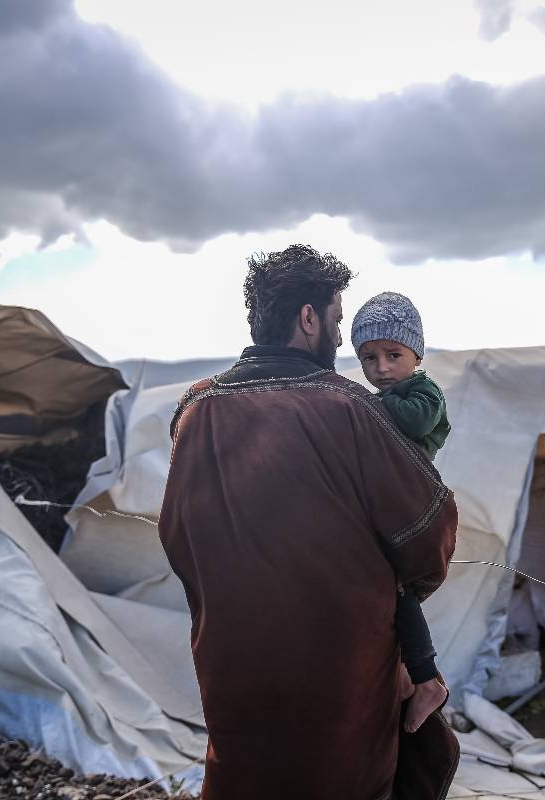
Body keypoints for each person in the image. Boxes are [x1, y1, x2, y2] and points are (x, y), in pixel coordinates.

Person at [158, 244, 459, 800]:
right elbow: (428, 534)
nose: (341, 340)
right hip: (342, 684)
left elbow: (177, 540)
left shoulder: (194, 411)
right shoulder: (348, 408)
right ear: (307, 318)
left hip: (233, 672)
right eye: (338, 322)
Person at [351, 292, 452, 735]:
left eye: (394, 354)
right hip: (384, 502)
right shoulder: (379, 400)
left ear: (416, 354)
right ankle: (413, 673)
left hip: (410, 506)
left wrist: (366, 406)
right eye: (369, 358)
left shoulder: (423, 393)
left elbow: (413, 422)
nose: (382, 368)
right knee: (391, 597)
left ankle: (428, 679)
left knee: (399, 591)